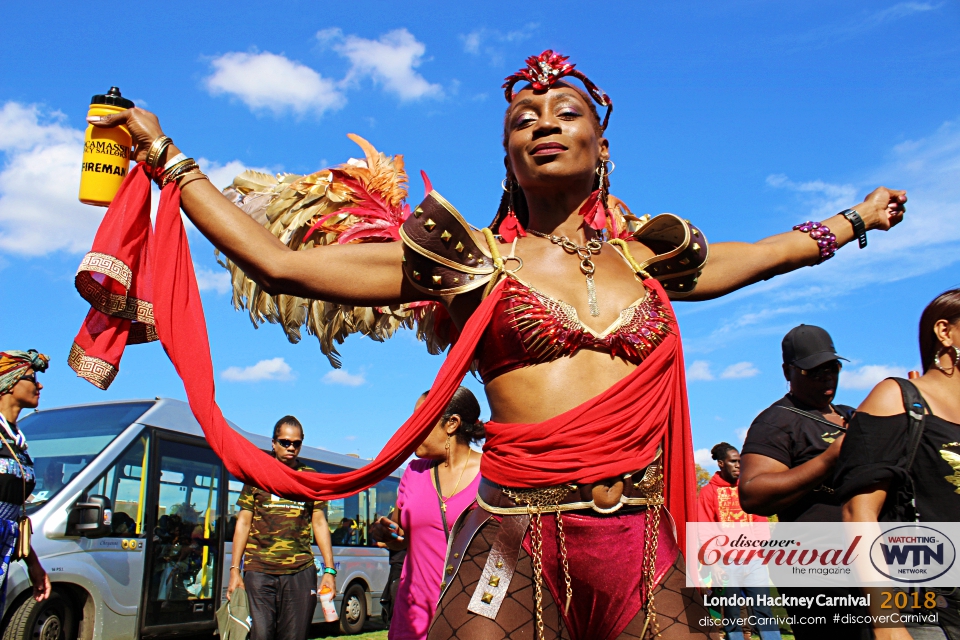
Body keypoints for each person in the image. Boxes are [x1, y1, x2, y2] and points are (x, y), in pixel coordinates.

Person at [92, 48, 906, 639]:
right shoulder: (471, 260)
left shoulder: (648, 258)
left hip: (641, 535)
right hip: (516, 538)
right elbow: (283, 263)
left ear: (602, 146)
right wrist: (169, 158)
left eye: (566, 112)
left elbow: (763, 256)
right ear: (509, 157)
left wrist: (856, 220)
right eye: (523, 119)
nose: (543, 123)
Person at [836, 289, 960, 640]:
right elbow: (858, 514)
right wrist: (888, 625)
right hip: (929, 614)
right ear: (945, 332)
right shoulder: (897, 400)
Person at [738, 326, 868, 639]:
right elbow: (752, 493)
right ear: (788, 371)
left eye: (832, 368)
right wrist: (828, 460)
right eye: (813, 371)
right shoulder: (777, 421)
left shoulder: (853, 415)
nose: (826, 377)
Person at [370, 387, 484, 640]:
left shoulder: (491, 476)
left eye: (421, 420)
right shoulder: (414, 472)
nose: (411, 429)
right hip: (412, 619)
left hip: (467, 619)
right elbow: (400, 534)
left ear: (452, 424)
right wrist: (384, 532)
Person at [227, 416, 336, 640]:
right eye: (285, 442)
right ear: (273, 443)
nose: (291, 448)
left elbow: (319, 522)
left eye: (296, 443)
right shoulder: (256, 474)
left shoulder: (310, 477)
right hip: (259, 571)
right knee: (261, 635)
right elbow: (244, 522)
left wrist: (329, 570)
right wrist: (235, 571)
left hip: (300, 572)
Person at [697, 443, 779, 640]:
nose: (738, 466)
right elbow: (705, 530)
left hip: (754, 562)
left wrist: (762, 553)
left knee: (763, 612)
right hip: (726, 563)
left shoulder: (748, 487)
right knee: (732, 616)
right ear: (720, 463)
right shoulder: (709, 492)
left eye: (740, 462)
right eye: (733, 462)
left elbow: (760, 521)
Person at [0, 350, 52, 610]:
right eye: (32, 378)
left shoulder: (17, 442)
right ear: (10, 382)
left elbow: (13, 517)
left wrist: (33, 564)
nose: (39, 384)